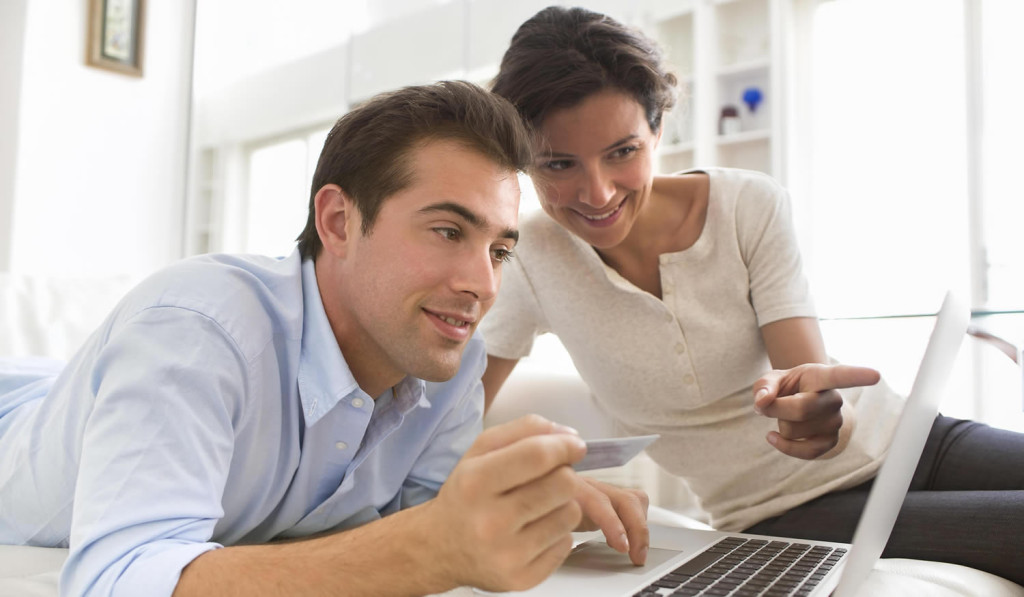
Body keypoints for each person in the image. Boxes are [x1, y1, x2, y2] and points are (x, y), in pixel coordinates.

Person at [0, 81, 645, 597]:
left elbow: (427, 522)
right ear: (338, 220)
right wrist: (431, 548)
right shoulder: (198, 330)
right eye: (449, 231)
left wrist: (527, 508)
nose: (484, 285)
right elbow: (116, 578)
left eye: (500, 250)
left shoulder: (449, 360)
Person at [480, 5, 1024, 585]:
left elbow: (804, 373)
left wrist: (808, 410)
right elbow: (452, 419)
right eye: (559, 163)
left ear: (658, 130)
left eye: (622, 151)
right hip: (786, 512)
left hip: (915, 436)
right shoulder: (527, 256)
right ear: (524, 162)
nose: (597, 191)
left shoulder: (746, 205)